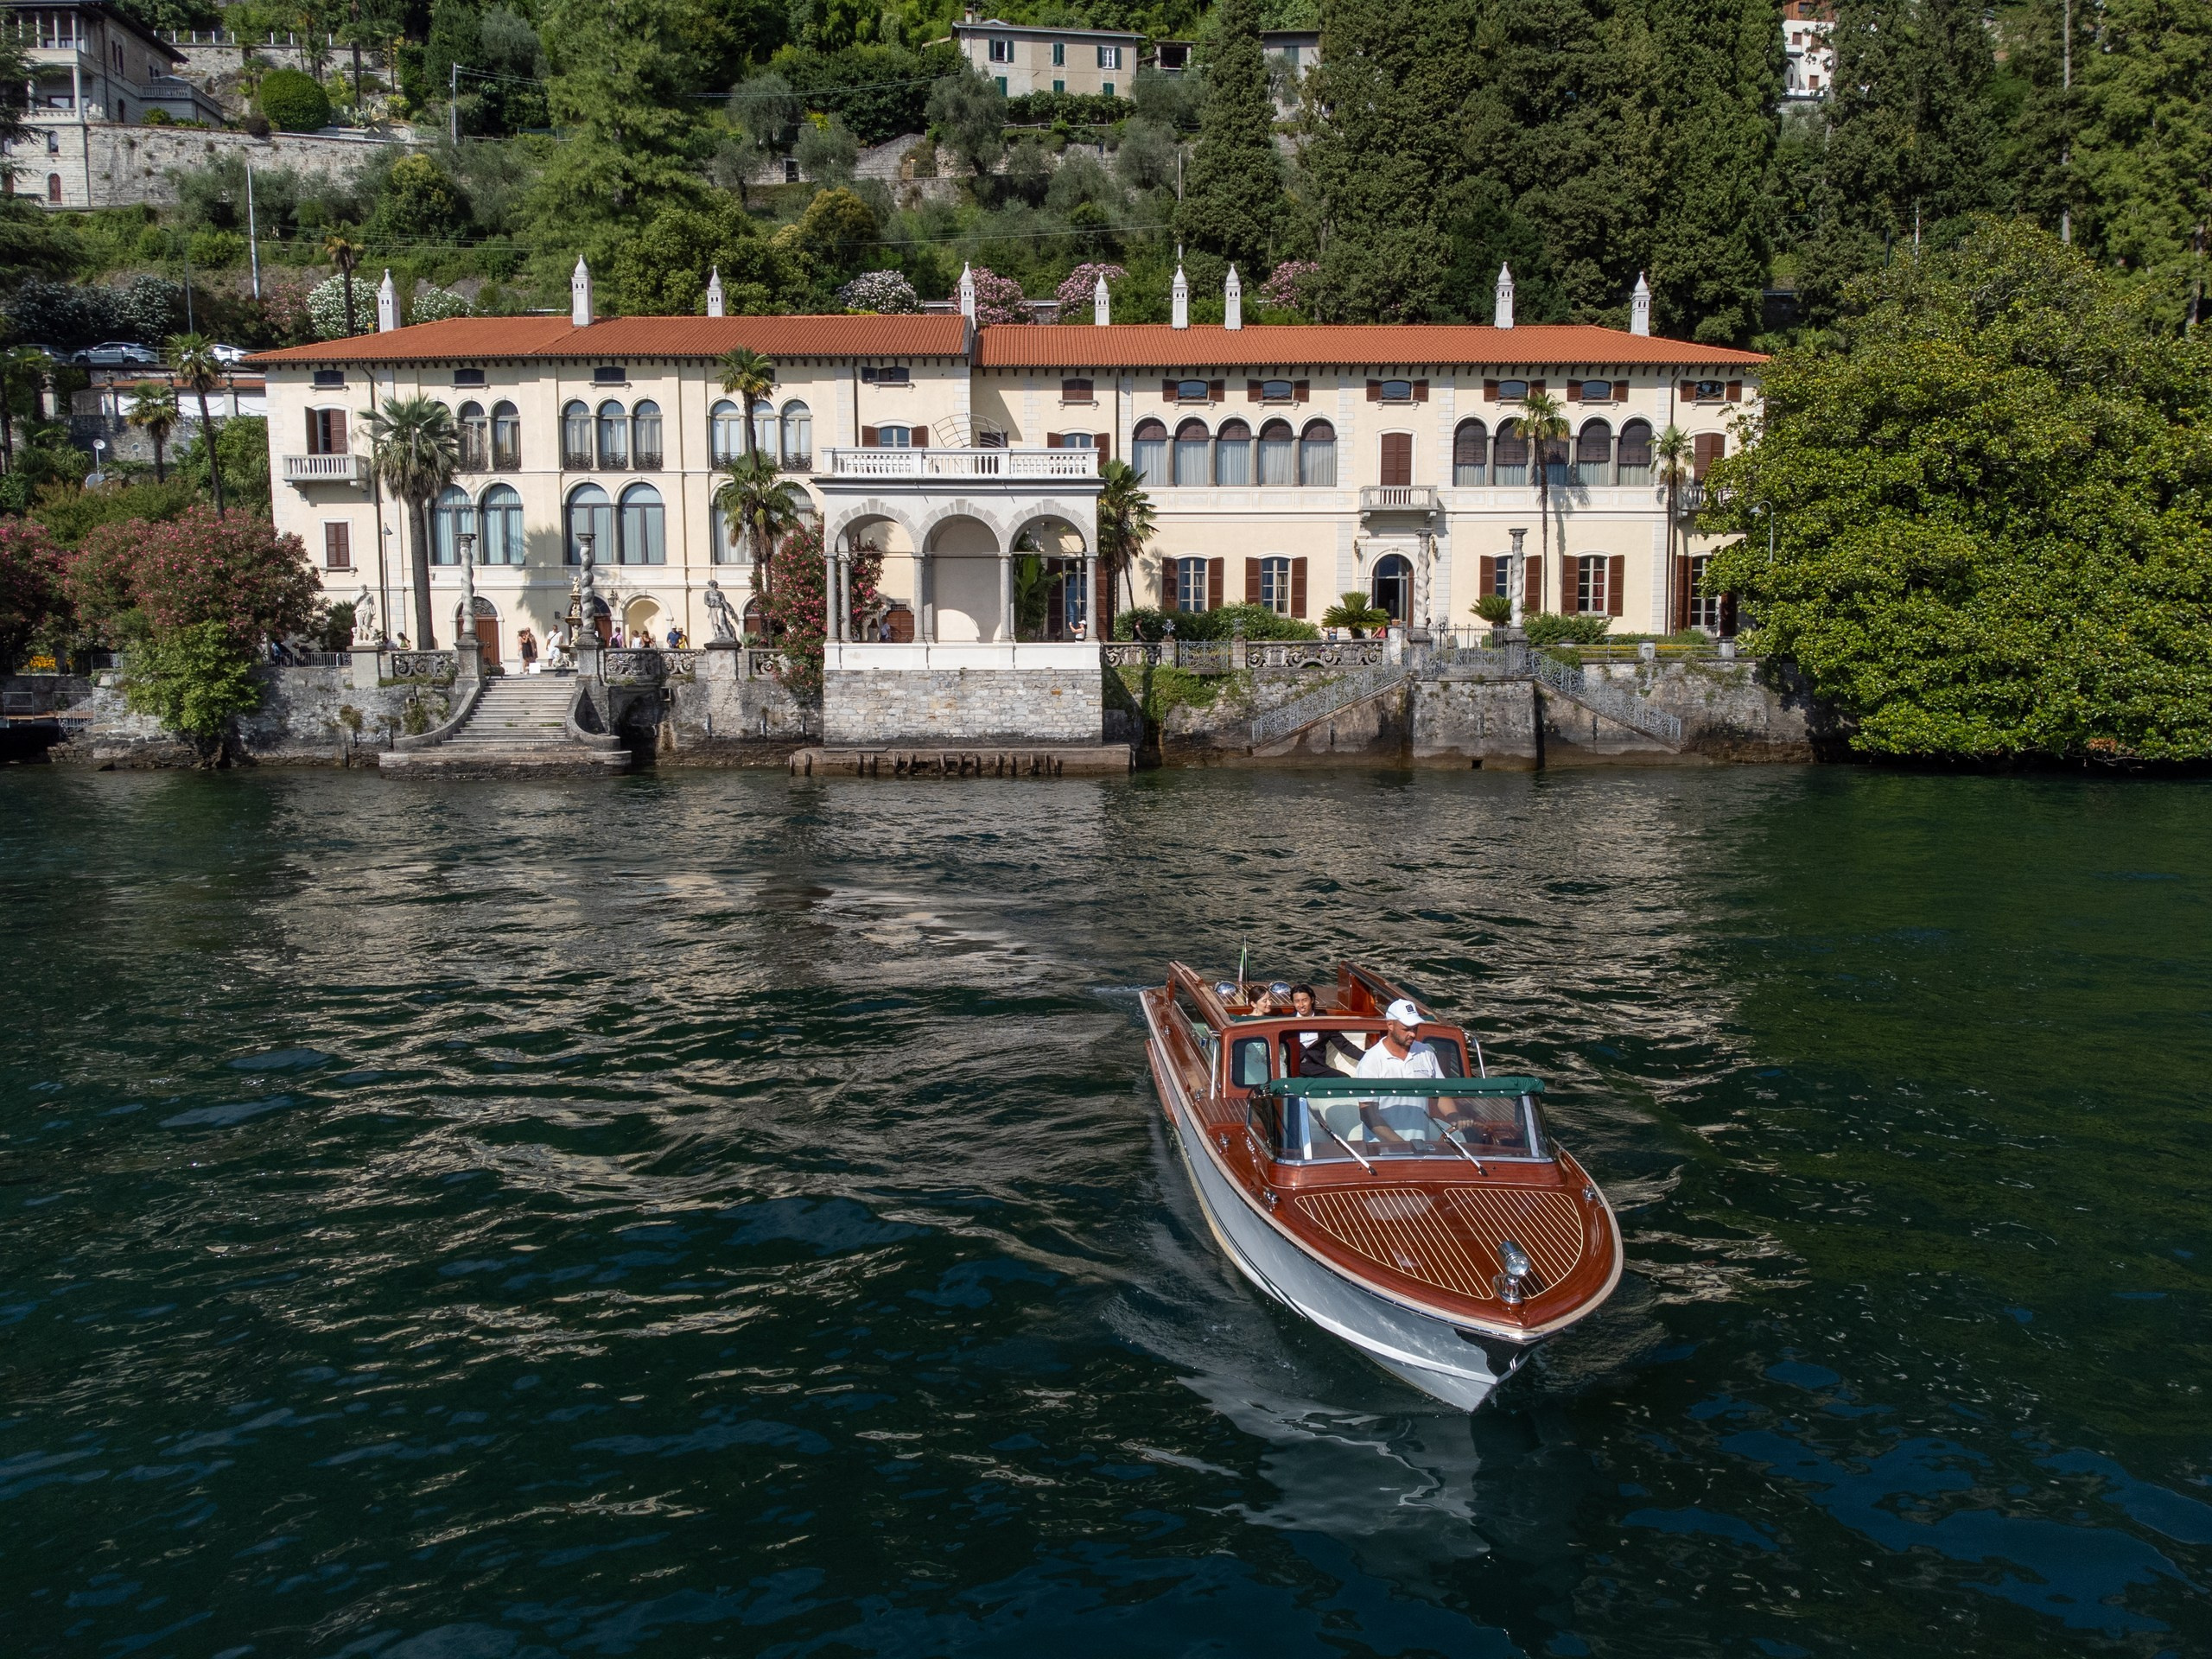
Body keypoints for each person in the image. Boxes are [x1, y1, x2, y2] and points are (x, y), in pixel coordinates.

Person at [1353, 998, 1443, 1141]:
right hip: (1382, 1151)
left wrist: (1456, 1117)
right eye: (1407, 1029)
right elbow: (1368, 1114)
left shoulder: (1426, 1053)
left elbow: (1441, 1094)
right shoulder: (1370, 1061)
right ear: (1390, 1025)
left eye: (1415, 1028)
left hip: (1420, 1148)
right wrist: (1401, 1144)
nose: (1413, 1034)